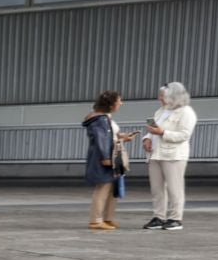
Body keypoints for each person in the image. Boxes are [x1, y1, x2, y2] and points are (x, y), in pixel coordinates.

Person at [141, 81, 197, 231]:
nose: (160, 98)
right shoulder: (161, 111)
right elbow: (154, 128)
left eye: (163, 95)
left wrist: (162, 133)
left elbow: (184, 135)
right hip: (156, 154)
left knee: (174, 188)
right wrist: (146, 138)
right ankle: (159, 216)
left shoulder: (186, 112)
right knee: (157, 188)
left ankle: (175, 218)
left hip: (174, 155)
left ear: (174, 96)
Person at [82, 90, 136, 230]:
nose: (121, 103)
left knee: (112, 188)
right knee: (103, 187)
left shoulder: (105, 117)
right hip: (105, 156)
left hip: (111, 154)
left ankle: (108, 218)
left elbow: (110, 136)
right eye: (119, 101)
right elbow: (102, 139)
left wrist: (123, 137)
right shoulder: (100, 119)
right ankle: (96, 220)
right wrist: (105, 157)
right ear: (111, 104)